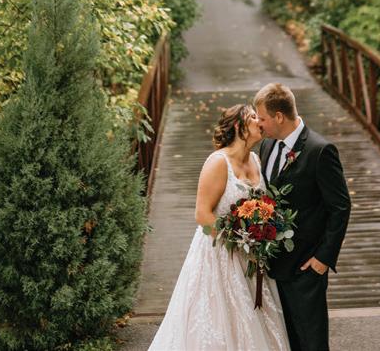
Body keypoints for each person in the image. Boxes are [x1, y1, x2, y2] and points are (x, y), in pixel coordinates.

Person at [148, 104, 291, 350]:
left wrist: (258, 237)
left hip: (251, 256)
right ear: (238, 126)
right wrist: (238, 239)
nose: (259, 121)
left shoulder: (256, 160)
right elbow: (202, 216)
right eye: (253, 117)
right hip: (219, 253)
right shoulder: (217, 162)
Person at [254, 83, 351, 351]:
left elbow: (340, 207)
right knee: (286, 342)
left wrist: (323, 259)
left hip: (306, 267)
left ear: (279, 117)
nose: (258, 124)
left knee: (312, 342)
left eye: (261, 118)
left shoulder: (320, 150)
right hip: (273, 266)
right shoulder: (266, 146)